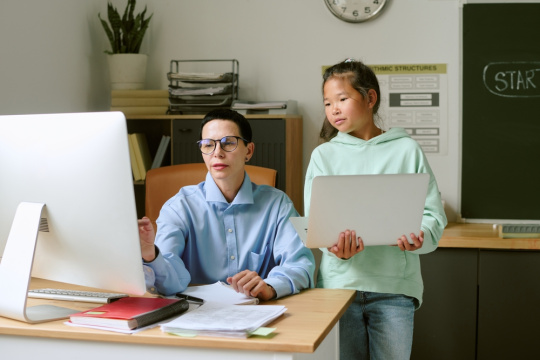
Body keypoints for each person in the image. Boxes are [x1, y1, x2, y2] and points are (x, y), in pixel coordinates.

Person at [304, 59, 448, 359]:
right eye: (328, 102)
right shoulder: (323, 156)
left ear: (370, 98)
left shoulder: (406, 149)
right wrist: (334, 248)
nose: (334, 109)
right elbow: (317, 223)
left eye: (343, 99)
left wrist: (420, 235)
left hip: (394, 291)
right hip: (339, 288)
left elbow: (433, 214)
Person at [139, 109, 314, 301]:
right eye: (208, 145)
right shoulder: (179, 207)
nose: (217, 153)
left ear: (249, 151)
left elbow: (301, 265)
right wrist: (151, 256)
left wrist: (270, 286)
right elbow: (169, 282)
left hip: (260, 312)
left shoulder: (277, 204)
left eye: (228, 143)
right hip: (197, 315)